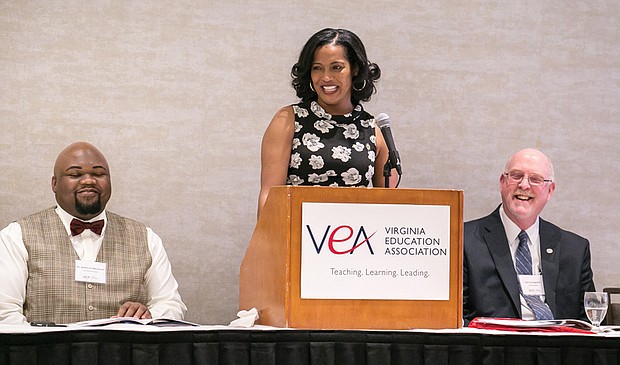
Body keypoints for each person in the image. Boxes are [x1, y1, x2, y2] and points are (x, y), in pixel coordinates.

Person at [0, 142, 187, 325]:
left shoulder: (146, 238)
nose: (89, 180)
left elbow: (171, 305)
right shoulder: (17, 236)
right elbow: (5, 314)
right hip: (48, 355)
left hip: (123, 356)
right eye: (75, 174)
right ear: (54, 184)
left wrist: (149, 316)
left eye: (98, 173)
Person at [258, 28, 398, 217]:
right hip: (296, 239)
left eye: (336, 67)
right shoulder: (288, 119)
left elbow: (392, 205)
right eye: (317, 68)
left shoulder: (372, 129)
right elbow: (269, 195)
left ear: (355, 69)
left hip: (357, 239)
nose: (326, 78)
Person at [463, 148, 595, 325]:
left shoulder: (575, 250)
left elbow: (587, 323)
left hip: (557, 350)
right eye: (516, 176)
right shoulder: (464, 241)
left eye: (535, 179)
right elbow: (455, 320)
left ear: (550, 191)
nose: (524, 185)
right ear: (502, 183)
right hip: (492, 349)